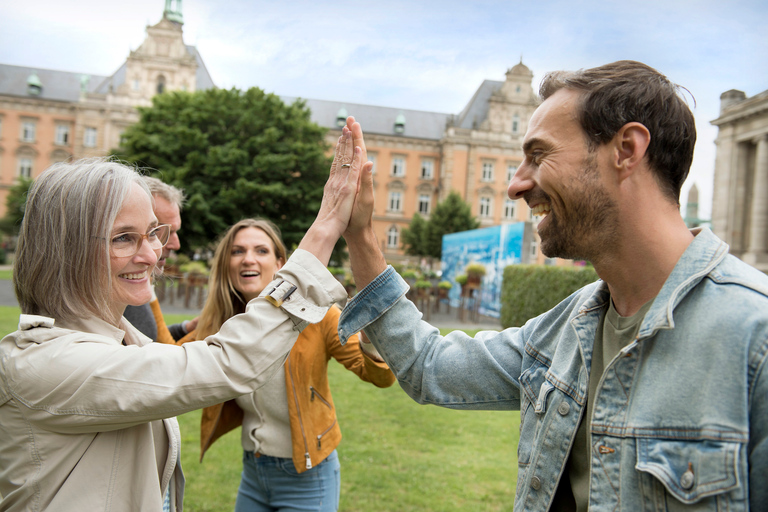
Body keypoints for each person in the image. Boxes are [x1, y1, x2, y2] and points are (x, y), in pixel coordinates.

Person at [336, 62, 768, 511]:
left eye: (539, 155)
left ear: (627, 149)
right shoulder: (570, 325)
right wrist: (362, 236)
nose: (515, 185)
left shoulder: (755, 337)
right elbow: (431, 367)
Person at [0, 123, 366, 511]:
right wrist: (327, 225)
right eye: (124, 238)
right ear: (66, 249)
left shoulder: (120, 339)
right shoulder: (49, 362)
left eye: (152, 233)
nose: (152, 253)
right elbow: (229, 362)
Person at [175, 218, 395, 512]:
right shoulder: (222, 323)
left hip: (307, 475)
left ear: (281, 263)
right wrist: (154, 304)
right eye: (237, 251)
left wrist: (370, 341)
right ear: (226, 262)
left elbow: (379, 376)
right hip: (254, 471)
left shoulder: (318, 315)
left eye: (261, 251)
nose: (248, 259)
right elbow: (167, 363)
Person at [124, 176, 196, 343]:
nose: (176, 244)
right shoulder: (122, 288)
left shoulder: (140, 280)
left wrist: (184, 329)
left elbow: (146, 338)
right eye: (157, 231)